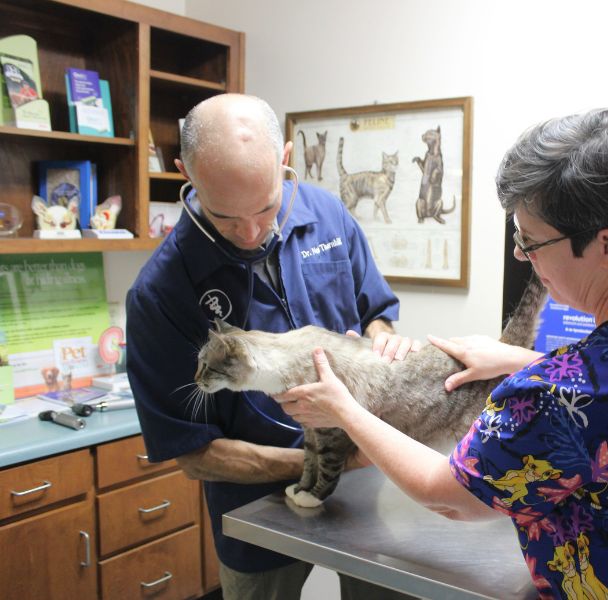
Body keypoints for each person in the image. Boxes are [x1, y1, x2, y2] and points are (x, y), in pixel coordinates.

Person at [277, 108, 608, 599]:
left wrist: (344, 407)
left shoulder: (553, 398)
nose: (520, 255)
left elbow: (447, 495)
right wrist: (517, 359)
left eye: (530, 242)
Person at [126, 93, 417, 600]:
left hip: (365, 484)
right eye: (225, 217)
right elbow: (194, 454)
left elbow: (378, 316)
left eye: (265, 207)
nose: (252, 232)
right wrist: (324, 464)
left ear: (285, 159)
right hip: (254, 504)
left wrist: (383, 348)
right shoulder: (160, 294)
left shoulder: (326, 213)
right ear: (185, 174)